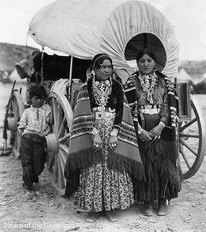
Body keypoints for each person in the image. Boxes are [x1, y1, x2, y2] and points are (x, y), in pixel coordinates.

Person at [64, 53, 143, 222]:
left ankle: (110, 208)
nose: (107, 70)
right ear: (94, 69)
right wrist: (94, 134)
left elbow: (121, 111)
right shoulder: (85, 89)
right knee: (93, 167)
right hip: (93, 131)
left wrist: (115, 133)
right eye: (103, 67)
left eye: (109, 67)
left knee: (112, 167)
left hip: (113, 131)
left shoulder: (117, 86)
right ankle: (93, 209)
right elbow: (82, 113)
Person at [124, 48, 182, 216]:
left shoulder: (165, 82)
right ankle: (148, 201)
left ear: (155, 63)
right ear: (137, 63)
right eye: (142, 61)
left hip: (162, 126)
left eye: (149, 61)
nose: (146, 64)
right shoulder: (130, 81)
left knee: (163, 164)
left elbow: (169, 104)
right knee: (146, 164)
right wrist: (139, 129)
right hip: (141, 126)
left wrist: (162, 124)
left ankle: (164, 200)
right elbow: (128, 107)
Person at [18, 85, 52, 190]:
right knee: (26, 161)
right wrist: (22, 139)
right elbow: (22, 126)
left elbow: (51, 120)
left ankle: (33, 177)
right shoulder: (27, 112)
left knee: (39, 163)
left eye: (41, 98)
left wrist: (50, 119)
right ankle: (28, 184)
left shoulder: (46, 108)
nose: (39, 101)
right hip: (27, 138)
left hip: (40, 139)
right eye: (36, 98)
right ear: (31, 99)